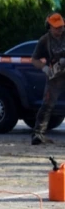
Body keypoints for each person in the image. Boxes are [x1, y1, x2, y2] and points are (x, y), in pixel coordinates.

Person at [30, 13, 65, 145]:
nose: (60, 30)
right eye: (56, 27)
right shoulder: (44, 40)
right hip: (55, 76)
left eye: (61, 27)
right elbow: (34, 59)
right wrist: (45, 68)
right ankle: (38, 134)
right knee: (47, 104)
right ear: (49, 27)